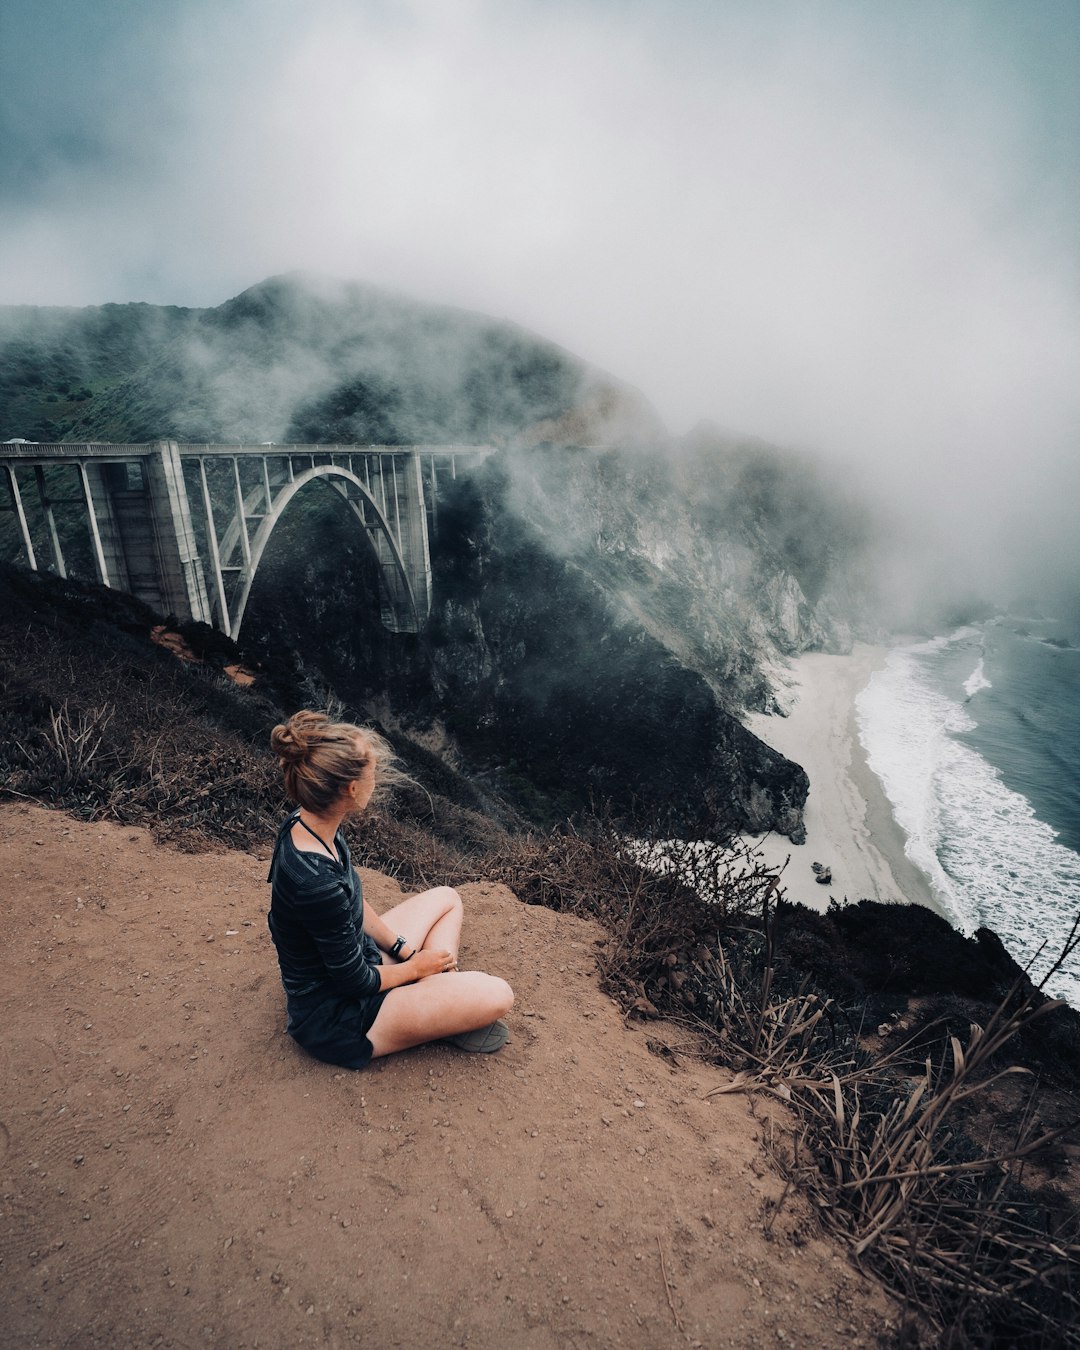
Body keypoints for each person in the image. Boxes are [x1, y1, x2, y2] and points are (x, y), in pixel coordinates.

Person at [266, 710, 513, 1069]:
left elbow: (350, 899)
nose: (376, 776)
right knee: (499, 995)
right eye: (372, 771)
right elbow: (353, 982)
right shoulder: (315, 882)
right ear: (351, 789)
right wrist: (415, 969)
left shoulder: (306, 823)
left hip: (356, 959)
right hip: (339, 1016)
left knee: (447, 898)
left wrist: (405, 950)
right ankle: (435, 1006)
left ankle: (436, 999)